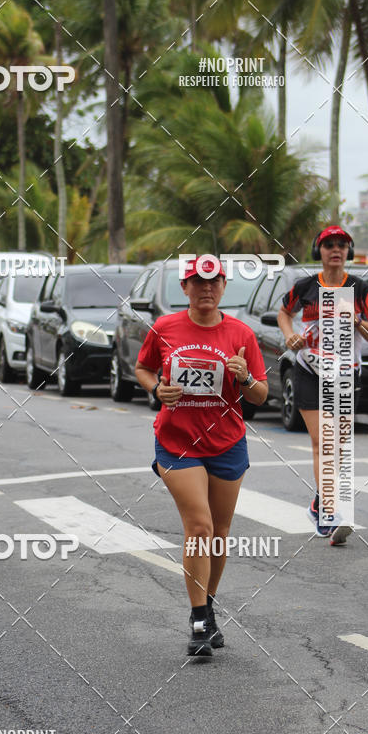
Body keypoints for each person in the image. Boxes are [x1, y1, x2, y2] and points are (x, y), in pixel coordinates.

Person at [135, 255, 268, 658]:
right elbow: (141, 369)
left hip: (227, 442)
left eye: (213, 282)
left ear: (224, 286)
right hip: (177, 443)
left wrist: (244, 376)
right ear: (185, 288)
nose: (205, 288)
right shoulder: (165, 327)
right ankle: (197, 621)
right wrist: (156, 389)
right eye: (197, 282)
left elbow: (261, 394)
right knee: (199, 527)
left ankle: (207, 608)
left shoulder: (241, 333)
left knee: (220, 533)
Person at [277, 225, 368, 545]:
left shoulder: (360, 287)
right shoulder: (305, 286)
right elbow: (284, 312)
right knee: (323, 441)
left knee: (338, 446)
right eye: (328, 245)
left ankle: (319, 503)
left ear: (348, 252)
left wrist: (359, 322)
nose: (335, 250)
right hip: (309, 372)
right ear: (318, 251)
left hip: (346, 375)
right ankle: (330, 512)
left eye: (342, 245)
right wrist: (289, 335)